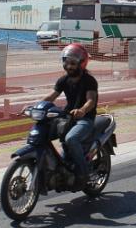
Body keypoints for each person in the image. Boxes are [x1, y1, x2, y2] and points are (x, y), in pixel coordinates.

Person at [42, 43, 98, 188]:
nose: (69, 66)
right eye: (66, 62)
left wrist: (82, 110)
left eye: (73, 63)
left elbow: (91, 100)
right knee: (42, 134)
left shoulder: (89, 80)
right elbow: (52, 96)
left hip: (85, 119)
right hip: (67, 117)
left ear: (81, 63)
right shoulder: (63, 80)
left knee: (71, 139)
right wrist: (34, 106)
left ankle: (84, 173)